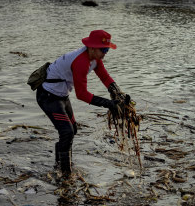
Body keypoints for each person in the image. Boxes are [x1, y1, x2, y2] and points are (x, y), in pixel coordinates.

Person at [36, 30, 127, 178]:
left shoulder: (95, 58)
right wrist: (109, 104)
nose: (105, 53)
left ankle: (60, 165)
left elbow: (104, 76)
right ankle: (66, 175)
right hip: (48, 97)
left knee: (72, 129)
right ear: (91, 47)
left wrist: (116, 91)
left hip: (61, 95)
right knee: (67, 132)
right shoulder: (81, 62)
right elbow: (82, 95)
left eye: (107, 49)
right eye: (103, 49)